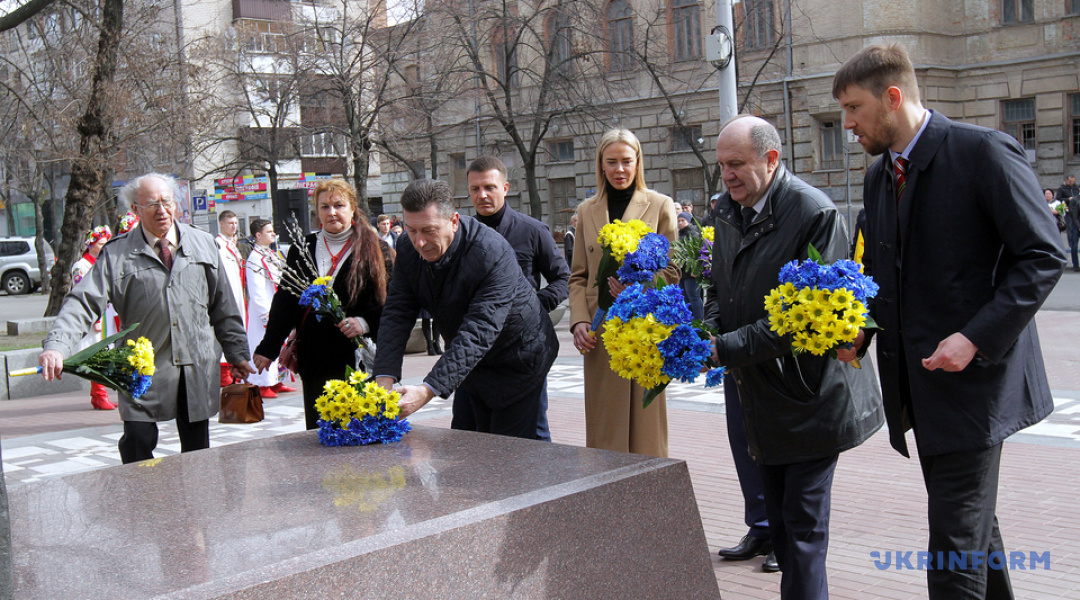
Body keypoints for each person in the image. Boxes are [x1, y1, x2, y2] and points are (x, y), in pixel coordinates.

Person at [833, 43, 1064, 599]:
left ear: (893, 98)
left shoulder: (983, 152)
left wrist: (974, 338)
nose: (847, 124)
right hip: (923, 388)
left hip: (977, 390)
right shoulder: (879, 176)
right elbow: (882, 274)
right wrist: (861, 330)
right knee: (971, 531)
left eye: (854, 108)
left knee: (953, 547)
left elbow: (1043, 256)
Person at [706, 116, 883, 599]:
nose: (727, 175)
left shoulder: (813, 212)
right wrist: (709, 330)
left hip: (810, 398)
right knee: (785, 533)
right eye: (722, 166)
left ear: (771, 159)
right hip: (761, 396)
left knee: (803, 535)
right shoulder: (726, 210)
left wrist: (724, 348)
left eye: (736, 164)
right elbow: (719, 287)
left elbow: (804, 320)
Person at [39, 173, 254, 464]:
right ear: (135, 209)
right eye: (152, 204)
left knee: (197, 449)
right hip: (143, 368)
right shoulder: (117, 254)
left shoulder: (203, 243)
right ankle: (143, 493)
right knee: (137, 441)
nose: (161, 210)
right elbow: (83, 302)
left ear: (176, 204)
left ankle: (196, 493)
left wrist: (238, 353)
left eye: (167, 202)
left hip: (195, 363)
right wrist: (56, 345)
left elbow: (223, 306)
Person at [373, 179, 559, 440]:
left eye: (429, 230)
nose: (420, 242)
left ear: (454, 220)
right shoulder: (407, 246)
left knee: (511, 451)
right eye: (411, 230)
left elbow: (480, 330)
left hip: (518, 360)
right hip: (469, 364)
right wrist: (384, 378)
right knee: (464, 442)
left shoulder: (491, 252)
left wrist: (426, 391)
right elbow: (397, 311)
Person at [568, 129, 679, 457]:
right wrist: (579, 321)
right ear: (601, 165)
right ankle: (605, 480)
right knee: (605, 423)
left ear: (638, 163)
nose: (619, 169)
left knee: (647, 424)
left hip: (646, 326)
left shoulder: (660, 205)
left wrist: (640, 285)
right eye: (612, 162)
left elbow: (673, 270)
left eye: (627, 161)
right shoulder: (586, 210)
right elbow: (578, 276)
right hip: (600, 330)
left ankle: (650, 480)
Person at [253, 180, 391, 431]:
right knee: (320, 433)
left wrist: (365, 322)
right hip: (315, 358)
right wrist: (268, 347)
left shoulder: (375, 247)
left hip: (357, 359)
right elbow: (286, 300)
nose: (332, 212)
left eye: (339, 205)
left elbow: (393, 300)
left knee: (358, 433)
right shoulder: (302, 247)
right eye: (325, 207)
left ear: (352, 208)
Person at [454, 156, 570, 441]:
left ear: (505, 188)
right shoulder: (458, 235)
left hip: (521, 352)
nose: (482, 195)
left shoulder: (532, 230)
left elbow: (563, 278)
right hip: (474, 351)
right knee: (467, 433)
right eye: (475, 189)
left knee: (531, 435)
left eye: (490, 187)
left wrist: (533, 308)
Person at [244, 219, 296, 398]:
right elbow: (256, 290)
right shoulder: (254, 258)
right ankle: (262, 383)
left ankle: (276, 381)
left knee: (279, 344)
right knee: (263, 344)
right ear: (258, 235)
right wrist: (265, 314)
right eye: (269, 231)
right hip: (264, 309)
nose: (273, 234)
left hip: (276, 306)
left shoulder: (271, 254)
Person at [70, 226, 116, 411]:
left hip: (105, 316)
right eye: (101, 243)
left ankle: (98, 396)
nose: (104, 246)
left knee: (102, 354)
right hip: (93, 318)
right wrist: (95, 320)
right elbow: (83, 295)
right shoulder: (81, 266)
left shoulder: (101, 262)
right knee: (96, 356)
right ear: (91, 244)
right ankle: (100, 395)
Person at [216, 210, 248, 386]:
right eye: (230, 223)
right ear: (221, 224)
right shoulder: (219, 245)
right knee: (228, 327)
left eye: (236, 223)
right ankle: (223, 372)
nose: (234, 226)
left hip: (238, 291)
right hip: (229, 293)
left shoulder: (232, 244)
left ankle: (232, 367)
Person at [676, 211, 704, 321]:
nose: (680, 223)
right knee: (685, 298)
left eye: (683, 220)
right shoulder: (678, 234)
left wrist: (696, 269)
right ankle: (689, 321)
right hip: (682, 271)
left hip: (691, 271)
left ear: (688, 221)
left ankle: (699, 321)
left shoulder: (694, 233)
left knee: (694, 297)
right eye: (679, 221)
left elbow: (698, 253)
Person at [1058, 175, 1079, 271]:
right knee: (1070, 229)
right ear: (1066, 181)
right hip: (1068, 211)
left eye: (1073, 181)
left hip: (1076, 212)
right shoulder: (1062, 188)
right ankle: (1075, 264)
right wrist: (1068, 199)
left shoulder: (1076, 188)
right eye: (1070, 181)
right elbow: (1059, 198)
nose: (1072, 183)